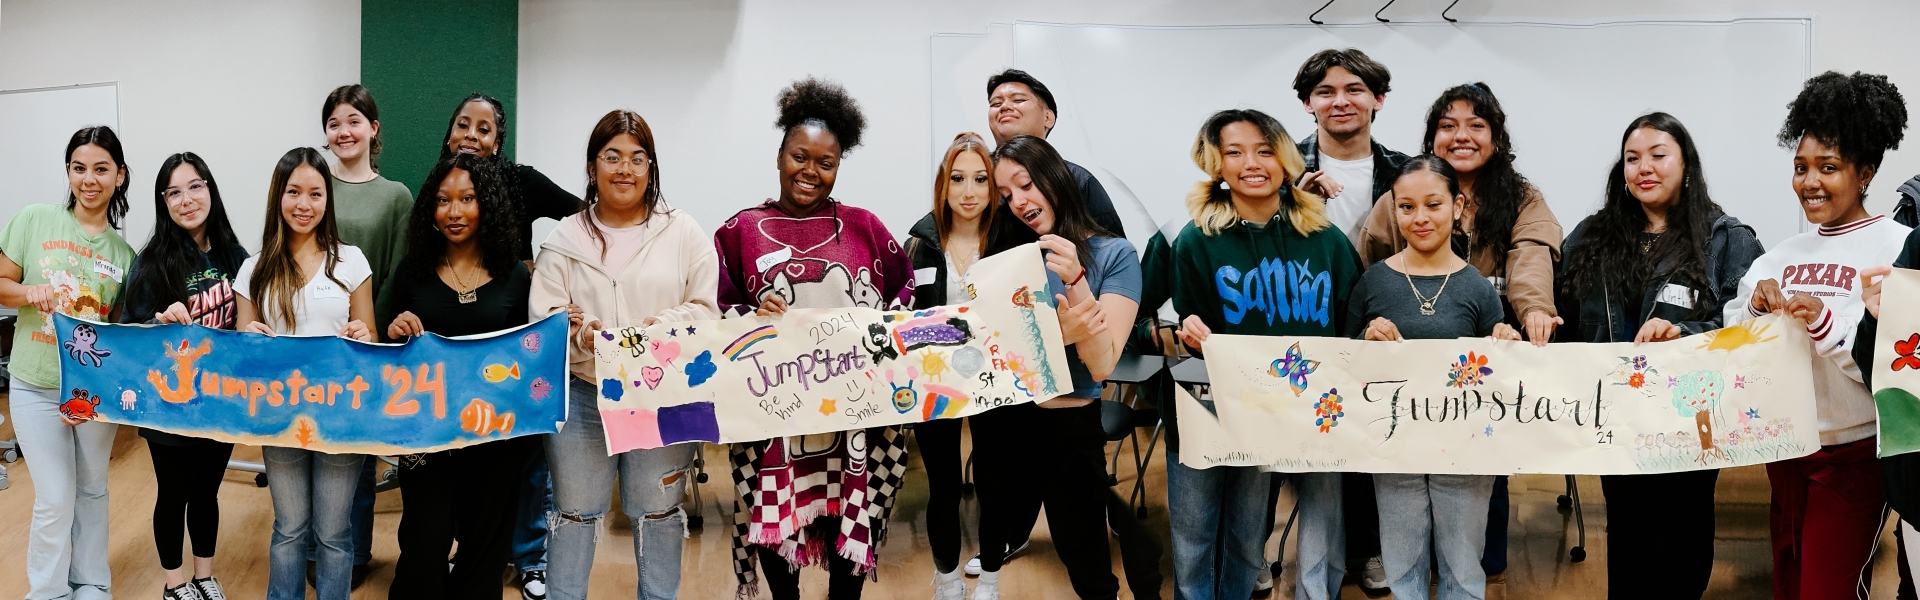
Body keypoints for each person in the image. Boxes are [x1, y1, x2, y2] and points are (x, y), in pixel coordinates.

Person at [1355, 83, 1563, 588]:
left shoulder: (1522, 198)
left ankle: (1469, 566)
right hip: (1401, 389)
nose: (1461, 135)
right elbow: (1367, 264)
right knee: (1401, 505)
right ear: (1431, 137)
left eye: (1476, 125)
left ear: (1496, 137)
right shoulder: (1400, 194)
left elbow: (1532, 255)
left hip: (1482, 362)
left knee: (1472, 522)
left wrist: (1533, 311)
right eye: (1448, 125)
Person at [717, 78, 914, 600]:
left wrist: (873, 318)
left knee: (854, 519)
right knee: (773, 519)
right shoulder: (740, 230)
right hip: (770, 422)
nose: (811, 171)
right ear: (779, 155)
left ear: (839, 166)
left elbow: (904, 294)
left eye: (825, 162)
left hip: (857, 420)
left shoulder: (865, 227)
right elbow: (714, 307)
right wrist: (751, 312)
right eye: (800, 156)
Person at [1559, 112, 1764, 599]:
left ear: (1687, 167)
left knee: (1683, 543)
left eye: (1658, 156)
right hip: (1617, 416)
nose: (1643, 168)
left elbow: (1752, 327)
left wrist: (1686, 332)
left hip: (1690, 422)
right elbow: (1560, 314)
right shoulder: (1590, 236)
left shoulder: (1726, 239)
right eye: (1632, 158)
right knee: (1628, 541)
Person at [1726, 71, 1911, 600]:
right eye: (1800, 168)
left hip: (1853, 455)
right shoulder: (1776, 257)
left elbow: (1897, 366)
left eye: (1828, 168)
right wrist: (1753, 315)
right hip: (1783, 447)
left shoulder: (1897, 249)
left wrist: (1827, 326)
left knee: (1826, 591)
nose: (1810, 182)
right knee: (1789, 584)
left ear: (1866, 172)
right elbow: (1735, 352)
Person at [972, 71, 1159, 594]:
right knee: (997, 539)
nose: (1018, 201)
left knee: (1086, 562)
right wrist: (1057, 331)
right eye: (1006, 194)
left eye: (1027, 185)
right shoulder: (1008, 260)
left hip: (1070, 425)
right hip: (1008, 422)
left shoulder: (1113, 256)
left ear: (1058, 177)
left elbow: (1101, 365)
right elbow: (988, 349)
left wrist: (1076, 282)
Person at [1167, 110, 1360, 600]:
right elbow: (1156, 319)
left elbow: (1352, 320)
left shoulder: (1326, 239)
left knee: (1248, 534)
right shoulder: (1193, 238)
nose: (1251, 163)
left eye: (1265, 150)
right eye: (1234, 152)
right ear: (1215, 164)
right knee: (1196, 535)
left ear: (1285, 158)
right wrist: (1176, 331)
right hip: (1212, 403)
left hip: (1300, 409)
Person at [527, 109, 715, 600]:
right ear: (593, 167)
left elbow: (704, 310)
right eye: (612, 157)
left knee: (657, 513)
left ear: (651, 168)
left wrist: (660, 328)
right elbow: (543, 318)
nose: (624, 169)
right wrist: (581, 333)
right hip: (584, 396)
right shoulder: (564, 240)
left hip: (663, 394)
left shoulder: (683, 233)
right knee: (574, 513)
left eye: (637, 158)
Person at [1352, 155, 1521, 600]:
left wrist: (1504, 339)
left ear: (1458, 206)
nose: (1420, 218)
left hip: (1464, 447)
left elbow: (1498, 374)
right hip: (1394, 446)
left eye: (1433, 204)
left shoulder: (1476, 287)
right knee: (1402, 558)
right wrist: (1365, 339)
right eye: (1406, 207)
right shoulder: (1372, 283)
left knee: (1463, 560)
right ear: (1393, 209)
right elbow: (1343, 359)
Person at [438, 94, 582, 598]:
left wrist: (543, 270)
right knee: (463, 452)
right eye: (464, 125)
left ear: (498, 141)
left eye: (484, 129)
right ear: (450, 132)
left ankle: (529, 558)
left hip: (518, 340)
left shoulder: (523, 182)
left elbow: (583, 217)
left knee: (525, 455)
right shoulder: (440, 185)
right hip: (460, 343)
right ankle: (472, 549)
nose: (472, 136)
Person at [382, 153, 537, 597]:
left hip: (495, 439)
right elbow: (388, 352)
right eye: (443, 200)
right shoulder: (412, 271)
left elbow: (529, 354)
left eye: (467, 199)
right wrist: (396, 333)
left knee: (484, 551)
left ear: (486, 205)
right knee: (423, 545)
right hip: (427, 437)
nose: (454, 211)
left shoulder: (514, 276)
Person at [1288, 49, 1409, 592]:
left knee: (1373, 433)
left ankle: (1370, 549)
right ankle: (1291, 556)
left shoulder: (1406, 171)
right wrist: (1292, 205)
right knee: (1301, 442)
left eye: (1354, 89)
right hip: (1304, 319)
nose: (1340, 101)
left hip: (1383, 319)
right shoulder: (1277, 166)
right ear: (1309, 103)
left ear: (1377, 100)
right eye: (1325, 91)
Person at [0, 125, 138, 600]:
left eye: (101, 169)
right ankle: (48, 591)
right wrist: (27, 292)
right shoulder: (34, 219)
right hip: (35, 384)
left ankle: (92, 583)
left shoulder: (124, 255)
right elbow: (0, 283)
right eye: (79, 168)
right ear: (69, 173)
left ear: (119, 176)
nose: (89, 179)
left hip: (90, 393)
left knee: (94, 489)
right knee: (55, 496)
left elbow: (118, 331)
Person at [235, 147, 376, 600]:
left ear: (327, 201)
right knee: (290, 527)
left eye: (316, 193)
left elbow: (369, 335)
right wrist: (249, 338)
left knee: (335, 532)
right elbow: (243, 347)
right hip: (281, 418)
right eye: (294, 191)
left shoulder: (351, 261)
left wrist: (362, 332)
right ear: (279, 196)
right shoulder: (253, 269)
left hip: (340, 415)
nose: (304, 204)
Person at [120, 152, 252, 600]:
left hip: (221, 401)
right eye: (173, 192)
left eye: (195, 186)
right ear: (164, 202)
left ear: (210, 189)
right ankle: (175, 584)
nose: (186, 199)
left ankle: (204, 576)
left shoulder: (237, 257)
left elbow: (247, 324)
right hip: (169, 404)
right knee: (173, 492)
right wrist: (158, 322)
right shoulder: (152, 261)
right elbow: (127, 336)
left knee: (207, 492)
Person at [904, 132, 1008, 600]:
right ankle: (946, 580)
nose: (969, 192)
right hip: (934, 383)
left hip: (997, 380)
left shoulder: (1011, 241)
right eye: (958, 179)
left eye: (981, 180)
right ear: (943, 186)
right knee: (943, 487)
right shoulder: (919, 244)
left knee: (992, 483)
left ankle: (989, 579)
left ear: (994, 187)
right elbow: (900, 317)